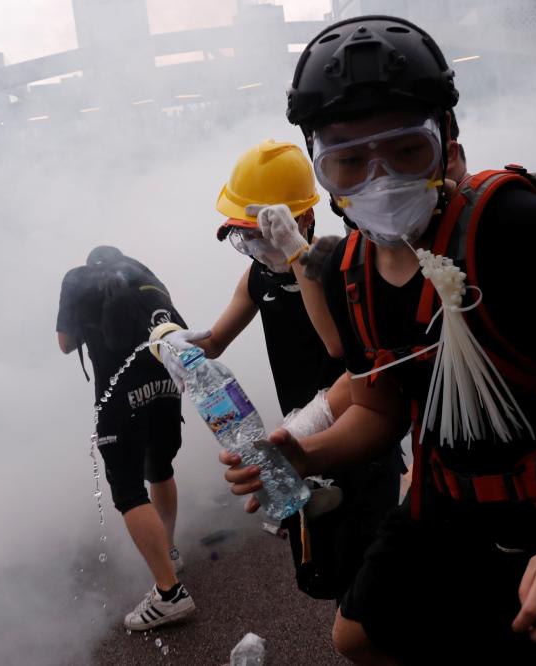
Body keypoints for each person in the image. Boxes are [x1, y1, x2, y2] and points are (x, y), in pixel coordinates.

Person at [223, 15, 536, 664]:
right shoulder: (354, 270)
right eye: (348, 162)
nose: (380, 181)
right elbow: (379, 407)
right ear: (324, 174)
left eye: (406, 151)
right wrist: (307, 456)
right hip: (454, 501)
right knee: (361, 635)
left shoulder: (514, 232)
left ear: (447, 140)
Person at [153, 140, 402, 601]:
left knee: (372, 579)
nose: (251, 246)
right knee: (321, 575)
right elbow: (214, 342)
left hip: (355, 437)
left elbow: (335, 343)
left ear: (301, 218)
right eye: (241, 235)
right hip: (294, 445)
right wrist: (169, 338)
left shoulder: (339, 259)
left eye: (260, 233)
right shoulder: (257, 275)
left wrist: (295, 253)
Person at [56, 246, 196, 631]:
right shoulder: (145, 274)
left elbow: (65, 343)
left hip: (120, 395)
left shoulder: (78, 279)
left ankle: (170, 594)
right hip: (166, 385)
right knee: (161, 468)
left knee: (128, 491)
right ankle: (168, 551)